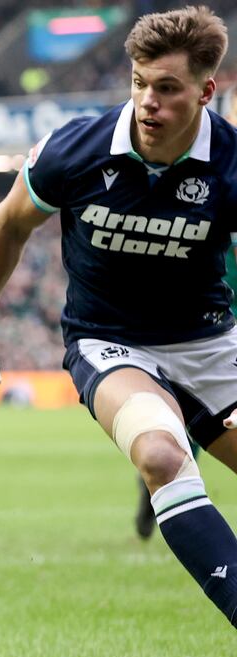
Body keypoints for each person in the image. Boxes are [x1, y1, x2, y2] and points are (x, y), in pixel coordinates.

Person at [0, 6, 237, 631]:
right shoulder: (77, 148)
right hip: (110, 344)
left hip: (210, 344)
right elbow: (7, 224)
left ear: (206, 92)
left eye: (167, 88)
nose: (147, 102)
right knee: (162, 456)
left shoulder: (232, 163)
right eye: (139, 83)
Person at [133, 82, 237, 539]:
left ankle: (157, 488)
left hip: (218, 328)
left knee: (187, 428)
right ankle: (158, 490)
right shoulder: (219, 173)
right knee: (181, 430)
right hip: (203, 326)